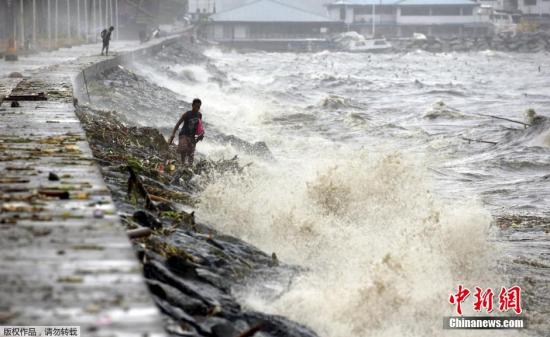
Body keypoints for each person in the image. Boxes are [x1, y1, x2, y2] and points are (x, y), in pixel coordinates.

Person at [168, 99, 205, 168]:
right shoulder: (187, 114)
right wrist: (173, 134)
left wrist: (201, 134)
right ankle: (182, 163)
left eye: (199, 107)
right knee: (184, 148)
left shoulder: (199, 115)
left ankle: (189, 167)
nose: (197, 108)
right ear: (192, 105)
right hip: (184, 134)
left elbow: (199, 126)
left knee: (191, 154)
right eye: (196, 106)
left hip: (192, 136)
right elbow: (178, 124)